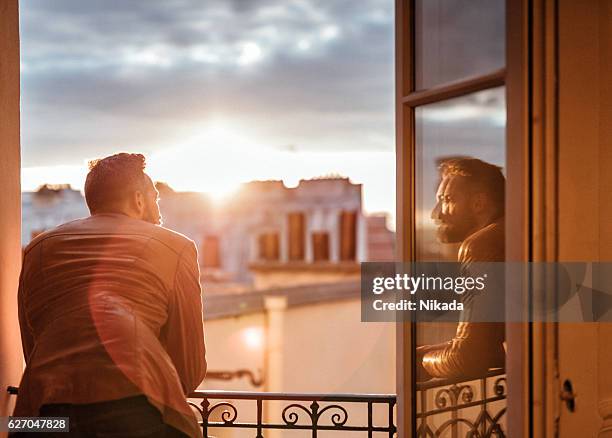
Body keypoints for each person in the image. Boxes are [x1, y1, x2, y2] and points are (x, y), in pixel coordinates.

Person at [12, 153, 207, 438]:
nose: (158, 209)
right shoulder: (176, 247)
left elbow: (33, 348)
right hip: (135, 413)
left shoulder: (37, 248)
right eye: (155, 198)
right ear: (139, 200)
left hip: (38, 416)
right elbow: (189, 368)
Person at [417, 157, 505, 380]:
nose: (436, 213)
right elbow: (490, 346)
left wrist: (417, 361)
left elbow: (468, 357)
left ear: (478, 203)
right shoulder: (516, 231)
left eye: (446, 199)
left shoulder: (481, 246)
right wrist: (432, 352)